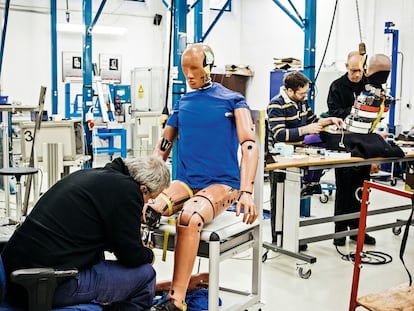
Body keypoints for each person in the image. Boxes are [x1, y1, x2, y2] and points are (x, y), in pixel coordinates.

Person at [144, 43, 259, 311]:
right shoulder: (182, 103)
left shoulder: (233, 100)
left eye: (195, 69)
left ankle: (177, 300)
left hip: (222, 183)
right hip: (186, 181)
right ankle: (142, 287)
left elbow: (249, 145)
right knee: (149, 211)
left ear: (208, 65)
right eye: (186, 71)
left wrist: (247, 191)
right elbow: (163, 145)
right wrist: (145, 187)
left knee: (190, 217)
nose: (190, 75)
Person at [1, 156, 171, 310]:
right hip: (47, 285)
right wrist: (148, 255)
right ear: (143, 189)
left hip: (16, 279)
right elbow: (131, 256)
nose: (147, 204)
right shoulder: (128, 191)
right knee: (146, 275)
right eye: (150, 198)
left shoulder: (92, 176)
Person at [266, 71, 343, 245]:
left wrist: (329, 120)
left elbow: (313, 120)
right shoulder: (276, 105)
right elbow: (279, 134)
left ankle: (291, 239)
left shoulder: (301, 103)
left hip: (297, 156)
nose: (304, 96)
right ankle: (279, 240)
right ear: (289, 90)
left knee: (293, 200)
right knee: (280, 202)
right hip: (280, 159)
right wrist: (304, 130)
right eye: (301, 93)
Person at [328, 52, 391, 246]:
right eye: (353, 70)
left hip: (364, 143)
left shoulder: (369, 85)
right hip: (345, 142)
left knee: (361, 190)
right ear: (346, 66)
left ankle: (357, 231)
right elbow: (334, 112)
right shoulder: (337, 87)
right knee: (344, 189)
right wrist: (357, 108)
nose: (357, 75)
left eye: (360, 70)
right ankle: (340, 233)